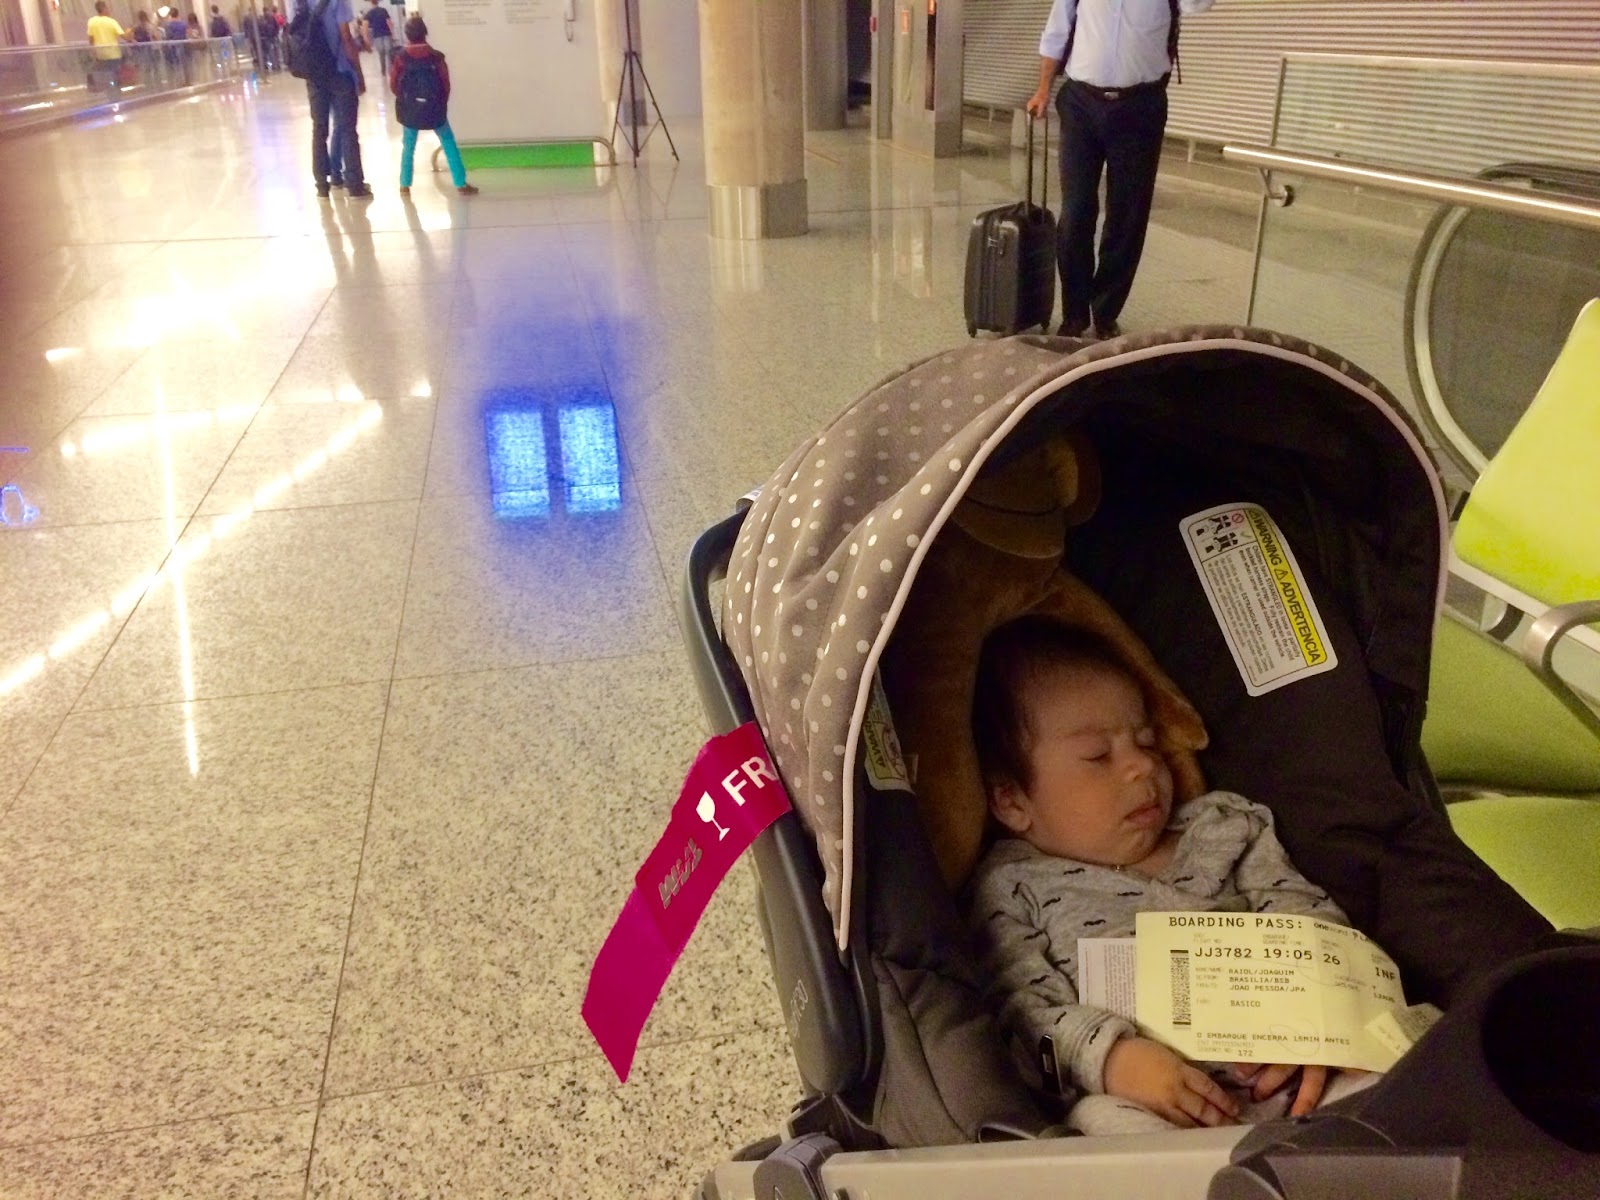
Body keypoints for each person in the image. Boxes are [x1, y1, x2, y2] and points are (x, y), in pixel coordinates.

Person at [967, 617, 1368, 1135]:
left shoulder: (1221, 827)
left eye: (1148, 742)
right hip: (1147, 1106)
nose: (1141, 766)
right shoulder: (1014, 887)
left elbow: (1304, 910)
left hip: (1293, 1077)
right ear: (1011, 799)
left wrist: (1326, 1009)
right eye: (1097, 755)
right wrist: (1112, 1059)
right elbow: (1017, 1011)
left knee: (1394, 1069)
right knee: (1099, 1123)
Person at [1025, 0, 1213, 340]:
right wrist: (1042, 89)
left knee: (1128, 215)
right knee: (1077, 211)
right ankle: (1075, 313)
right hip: (1082, 103)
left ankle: (1106, 312)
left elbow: (1198, 6)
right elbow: (1057, 30)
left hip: (1142, 106)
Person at [390, 16, 478, 196]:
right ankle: (460, 183)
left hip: (411, 110)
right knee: (448, 142)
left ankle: (404, 184)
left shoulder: (401, 58)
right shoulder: (437, 58)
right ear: (425, 33)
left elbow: (393, 85)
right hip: (435, 109)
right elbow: (446, 85)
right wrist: (439, 104)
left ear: (407, 35)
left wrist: (407, 101)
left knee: (408, 146)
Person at [305, 0, 371, 198]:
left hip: (314, 75)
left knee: (319, 128)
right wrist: (359, 74)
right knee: (348, 129)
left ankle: (322, 185)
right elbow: (346, 38)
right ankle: (354, 184)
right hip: (339, 72)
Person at [86, 2, 130, 94]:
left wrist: (93, 53)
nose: (109, 10)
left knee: (107, 76)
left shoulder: (92, 21)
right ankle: (116, 95)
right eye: (108, 8)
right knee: (115, 75)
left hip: (101, 55)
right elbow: (125, 37)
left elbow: (91, 39)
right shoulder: (111, 22)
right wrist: (129, 31)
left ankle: (110, 94)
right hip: (113, 54)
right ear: (103, 8)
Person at [362, 0, 393, 77]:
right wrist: (392, 32)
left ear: (371, 3)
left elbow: (365, 25)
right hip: (386, 34)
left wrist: (366, 38)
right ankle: (390, 70)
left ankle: (383, 71)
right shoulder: (383, 10)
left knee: (381, 54)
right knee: (389, 53)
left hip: (377, 36)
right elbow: (389, 22)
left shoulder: (369, 13)